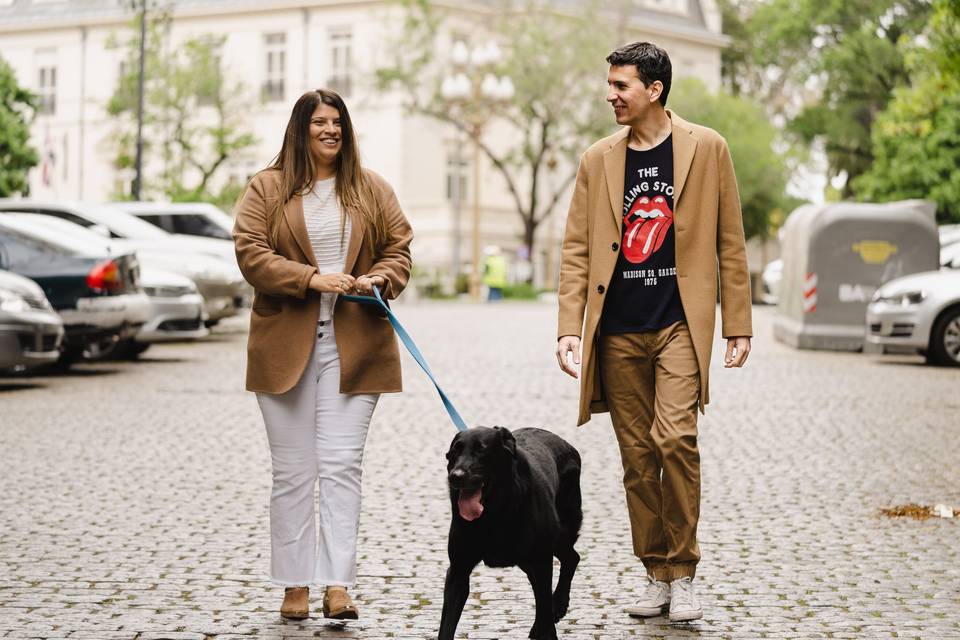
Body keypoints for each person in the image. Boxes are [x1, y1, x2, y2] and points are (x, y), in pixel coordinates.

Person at [555, 42, 752, 623]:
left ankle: (684, 571)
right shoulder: (598, 159)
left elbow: (730, 242)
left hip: (677, 327)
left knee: (675, 441)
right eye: (610, 84)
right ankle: (655, 572)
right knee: (637, 459)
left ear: (654, 90)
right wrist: (571, 326)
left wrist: (736, 322)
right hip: (617, 330)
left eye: (621, 86)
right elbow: (575, 249)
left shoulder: (706, 148)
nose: (610, 95)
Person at [233, 88, 413, 621]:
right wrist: (311, 278)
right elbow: (250, 252)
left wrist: (380, 276)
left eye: (338, 122)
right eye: (320, 122)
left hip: (354, 345)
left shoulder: (370, 188)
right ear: (300, 129)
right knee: (292, 471)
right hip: (284, 346)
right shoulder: (267, 188)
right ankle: (294, 585)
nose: (331, 130)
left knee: (341, 465)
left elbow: (398, 247)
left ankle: (338, 585)